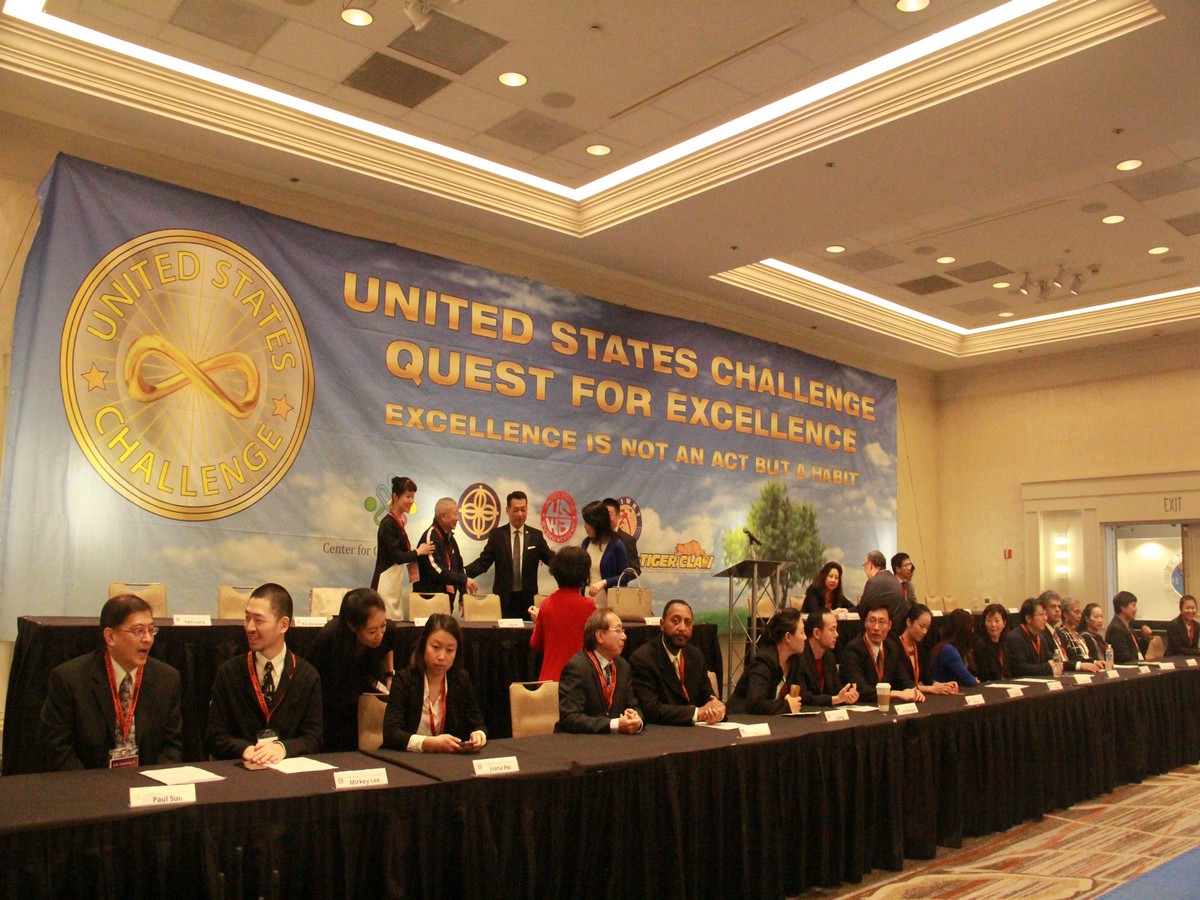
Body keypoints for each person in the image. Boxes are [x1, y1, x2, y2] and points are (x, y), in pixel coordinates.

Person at [38, 594, 182, 770]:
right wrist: (94, 785)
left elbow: (173, 747)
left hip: (147, 782)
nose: (148, 639)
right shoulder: (70, 679)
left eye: (151, 630)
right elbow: (57, 750)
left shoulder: (167, 678)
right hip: (90, 782)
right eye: (138, 631)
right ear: (110, 636)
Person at [206, 583, 323, 763]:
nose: (250, 627)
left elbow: (314, 739)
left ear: (283, 625)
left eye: (259, 620)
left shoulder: (307, 675)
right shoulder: (229, 672)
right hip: (242, 769)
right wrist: (244, 749)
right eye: (247, 618)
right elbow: (214, 737)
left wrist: (282, 748)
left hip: (288, 771)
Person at [305, 587, 394, 752]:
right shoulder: (329, 639)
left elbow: (390, 644)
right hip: (332, 704)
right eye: (372, 631)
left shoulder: (385, 629)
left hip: (365, 693)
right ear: (352, 626)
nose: (379, 635)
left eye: (383, 626)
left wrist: (390, 675)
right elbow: (313, 685)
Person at [381, 614, 487, 752]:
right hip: (408, 758)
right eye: (436, 647)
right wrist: (430, 743)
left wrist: (479, 735)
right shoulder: (403, 680)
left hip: (446, 760)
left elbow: (477, 724)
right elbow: (391, 734)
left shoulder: (461, 680)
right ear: (423, 645)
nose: (442, 657)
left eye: (450, 650)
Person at [630, 599, 725, 725]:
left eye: (688, 622)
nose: (682, 628)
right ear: (662, 624)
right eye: (675, 621)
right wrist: (698, 713)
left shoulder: (696, 656)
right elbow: (651, 710)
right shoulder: (643, 659)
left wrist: (717, 709)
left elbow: (709, 698)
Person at [466, 490, 555, 620]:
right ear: (507, 510)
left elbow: (551, 560)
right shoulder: (497, 535)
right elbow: (483, 562)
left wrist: (569, 566)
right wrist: (462, 574)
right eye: (516, 510)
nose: (520, 514)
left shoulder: (536, 536)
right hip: (503, 601)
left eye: (523, 510)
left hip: (528, 601)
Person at [556, 610, 643, 734]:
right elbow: (570, 718)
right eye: (618, 631)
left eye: (623, 631)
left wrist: (636, 718)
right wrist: (614, 724)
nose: (624, 637)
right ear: (600, 636)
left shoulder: (622, 666)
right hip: (579, 742)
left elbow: (632, 705)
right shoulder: (577, 668)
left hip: (615, 742)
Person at [528, 546, 597, 681]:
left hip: (548, 681)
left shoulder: (546, 604)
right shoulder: (589, 606)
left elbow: (535, 644)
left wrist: (538, 622)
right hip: (578, 680)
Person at [840, 600, 924, 703]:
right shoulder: (853, 649)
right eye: (872, 621)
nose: (876, 627)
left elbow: (903, 678)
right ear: (865, 623)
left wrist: (914, 690)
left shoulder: (891, 647)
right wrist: (895, 694)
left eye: (881, 622)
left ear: (889, 625)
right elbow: (860, 690)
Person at [727, 608, 806, 715]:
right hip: (741, 717)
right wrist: (786, 706)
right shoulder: (763, 661)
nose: (805, 637)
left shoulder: (794, 660)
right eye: (802, 632)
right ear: (788, 637)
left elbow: (801, 695)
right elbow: (755, 703)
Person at [370, 476, 434, 593]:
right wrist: (418, 552)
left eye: (413, 497)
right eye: (408, 496)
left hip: (394, 580)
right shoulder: (388, 523)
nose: (411, 501)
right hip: (384, 582)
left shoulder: (399, 521)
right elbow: (397, 556)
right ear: (395, 496)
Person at [414, 497, 478, 613]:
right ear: (443, 516)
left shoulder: (450, 539)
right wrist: (464, 580)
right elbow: (438, 572)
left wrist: (463, 594)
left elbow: (459, 568)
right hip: (429, 606)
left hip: (446, 606)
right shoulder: (430, 538)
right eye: (455, 514)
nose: (457, 518)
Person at [788, 609, 859, 707]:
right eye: (832, 629)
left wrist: (848, 695)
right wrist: (836, 699)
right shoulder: (799, 657)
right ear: (817, 633)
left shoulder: (829, 657)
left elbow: (836, 690)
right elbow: (804, 697)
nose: (836, 634)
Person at [580, 500, 633, 601]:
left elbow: (626, 575)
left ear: (597, 523)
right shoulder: (586, 543)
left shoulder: (616, 545)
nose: (584, 526)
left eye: (587, 523)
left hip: (609, 603)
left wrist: (605, 582)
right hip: (587, 600)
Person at [898, 603, 957, 694]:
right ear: (909, 622)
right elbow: (901, 685)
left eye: (927, 628)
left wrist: (941, 685)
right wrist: (931, 689)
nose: (924, 632)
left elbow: (927, 678)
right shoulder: (894, 647)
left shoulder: (919, 647)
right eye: (921, 626)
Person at [1044, 592, 1101, 673]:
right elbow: (1055, 662)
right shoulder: (1047, 633)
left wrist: (1094, 662)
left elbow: (1073, 657)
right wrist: (1079, 665)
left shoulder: (1058, 633)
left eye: (1059, 607)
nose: (1057, 610)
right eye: (1053, 606)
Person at [1003, 598, 1058, 677]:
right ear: (1028, 618)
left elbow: (1052, 661)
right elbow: (1021, 669)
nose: (1045, 618)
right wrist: (1048, 667)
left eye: (1045, 614)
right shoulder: (1015, 638)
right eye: (1041, 614)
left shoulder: (1041, 638)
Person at [856, 549, 907, 628]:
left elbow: (862, 611)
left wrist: (859, 603)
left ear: (870, 565)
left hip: (885, 631)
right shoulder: (893, 579)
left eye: (864, 565)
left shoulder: (874, 582)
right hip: (898, 628)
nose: (864, 569)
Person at [929, 609, 978, 687]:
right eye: (971, 627)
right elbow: (968, 679)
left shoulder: (951, 647)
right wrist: (974, 679)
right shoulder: (948, 650)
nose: (972, 631)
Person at [1106, 591, 1152, 664]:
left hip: (1135, 664)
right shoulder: (1115, 629)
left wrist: (1144, 637)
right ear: (1122, 608)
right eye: (1133, 606)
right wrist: (1140, 664)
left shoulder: (1128, 626)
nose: (1136, 609)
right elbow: (1124, 657)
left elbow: (1138, 652)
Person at [1057, 597, 1102, 671]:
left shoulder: (1077, 634)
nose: (1080, 616)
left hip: (1088, 669)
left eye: (1080, 612)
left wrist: (1095, 662)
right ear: (1065, 614)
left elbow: (1086, 657)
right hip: (1076, 671)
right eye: (1076, 612)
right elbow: (1071, 658)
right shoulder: (1062, 633)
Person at [604, 497, 641, 576]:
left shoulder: (627, 540)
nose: (606, 517)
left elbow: (635, 569)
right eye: (603, 514)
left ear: (618, 516)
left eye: (609, 514)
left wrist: (617, 579)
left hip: (617, 584)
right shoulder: (594, 539)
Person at [973, 603, 1010, 682]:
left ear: (1004, 623)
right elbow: (983, 675)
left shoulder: (1006, 644)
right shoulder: (980, 645)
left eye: (997, 621)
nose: (993, 625)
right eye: (989, 620)